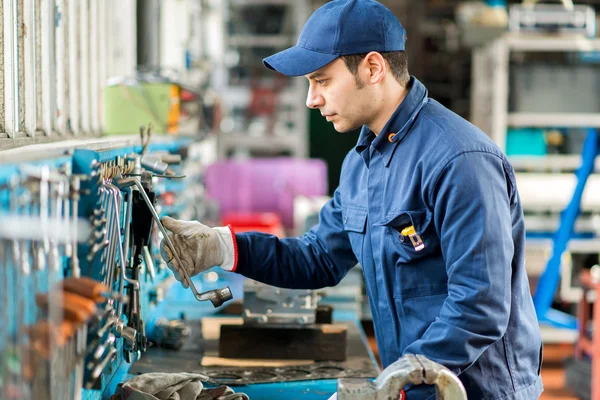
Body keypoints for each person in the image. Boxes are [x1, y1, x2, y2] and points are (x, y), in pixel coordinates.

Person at [159, 0, 543, 398]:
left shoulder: (460, 161)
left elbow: (480, 306)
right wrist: (224, 246)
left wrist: (396, 382)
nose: (312, 99)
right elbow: (319, 258)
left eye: (321, 81)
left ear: (373, 69)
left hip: (475, 391)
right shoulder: (362, 163)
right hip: (412, 386)